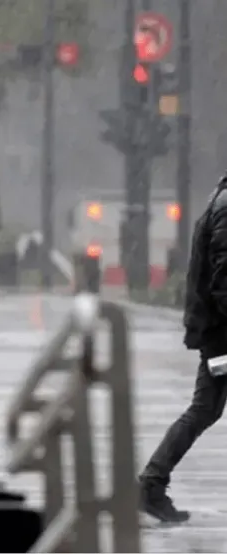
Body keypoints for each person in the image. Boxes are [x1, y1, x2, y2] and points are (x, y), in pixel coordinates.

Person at [138, 173, 227, 524]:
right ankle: (151, 484)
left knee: (205, 408)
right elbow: (224, 282)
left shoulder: (220, 201)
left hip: (218, 333)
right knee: (204, 408)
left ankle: (152, 484)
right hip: (223, 336)